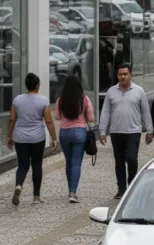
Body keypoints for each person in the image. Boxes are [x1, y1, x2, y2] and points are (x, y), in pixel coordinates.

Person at [99, 63, 154, 200]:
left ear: (130, 75)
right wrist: (102, 131)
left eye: (125, 74)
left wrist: (149, 130)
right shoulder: (111, 92)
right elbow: (105, 112)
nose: (123, 77)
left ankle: (132, 185)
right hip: (116, 132)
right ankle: (122, 189)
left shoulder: (139, 91)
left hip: (133, 131)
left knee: (132, 159)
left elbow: (145, 112)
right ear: (117, 75)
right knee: (119, 162)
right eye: (120, 74)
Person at [7, 73, 57, 206]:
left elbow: (12, 119)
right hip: (37, 138)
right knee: (37, 165)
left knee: (23, 164)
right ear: (37, 86)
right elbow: (49, 121)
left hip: (20, 137)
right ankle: (36, 196)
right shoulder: (43, 100)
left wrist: (9, 136)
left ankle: (19, 185)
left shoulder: (17, 99)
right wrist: (54, 138)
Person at [55, 75, 95, 203]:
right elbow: (91, 118)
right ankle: (73, 192)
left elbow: (57, 116)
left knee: (69, 162)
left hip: (64, 133)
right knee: (76, 162)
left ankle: (69, 190)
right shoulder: (84, 99)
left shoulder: (61, 100)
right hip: (79, 132)